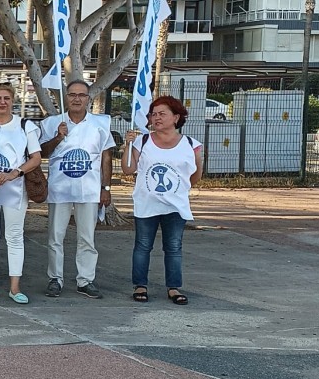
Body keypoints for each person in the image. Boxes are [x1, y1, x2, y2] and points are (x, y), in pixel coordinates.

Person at [122, 96, 203, 305]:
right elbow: (128, 169)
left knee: (174, 247)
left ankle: (173, 287)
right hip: (146, 203)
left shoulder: (191, 145)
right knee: (142, 245)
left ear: (176, 117)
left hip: (175, 206)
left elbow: (195, 176)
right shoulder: (143, 141)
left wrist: (178, 191)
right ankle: (140, 285)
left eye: (161, 114)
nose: (156, 118)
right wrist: (127, 146)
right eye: (153, 114)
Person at [39, 80, 116, 300]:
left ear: (88, 99)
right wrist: (58, 137)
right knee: (55, 236)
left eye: (81, 95)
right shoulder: (53, 122)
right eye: (72, 94)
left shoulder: (99, 123)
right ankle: (55, 278)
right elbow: (42, 152)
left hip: (89, 189)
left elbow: (106, 156)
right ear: (66, 97)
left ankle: (85, 280)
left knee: (87, 237)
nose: (76, 99)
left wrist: (106, 187)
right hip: (59, 188)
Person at [0, 82, 42, 304]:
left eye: (7, 98)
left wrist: (16, 172)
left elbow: (36, 158)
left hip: (14, 189)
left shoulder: (25, 126)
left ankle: (15, 287)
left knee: (14, 237)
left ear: (13, 101)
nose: (2, 102)